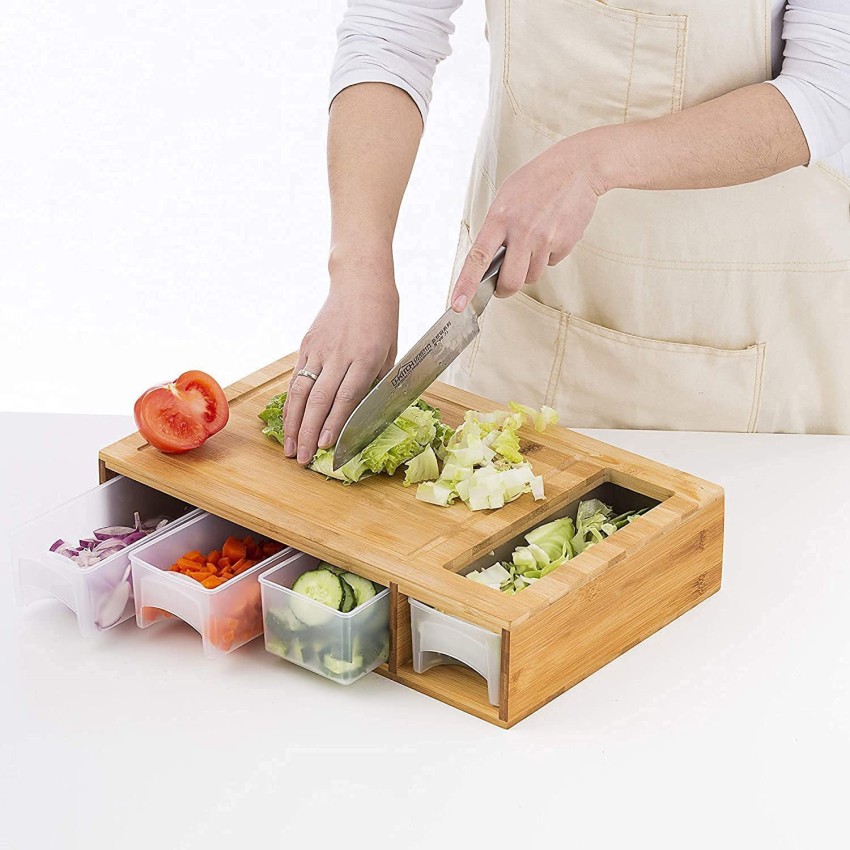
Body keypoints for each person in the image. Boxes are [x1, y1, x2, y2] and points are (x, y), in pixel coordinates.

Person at [282, 0, 850, 465]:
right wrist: (358, 267)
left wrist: (593, 164)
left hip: (751, 349)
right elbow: (392, 31)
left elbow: (831, 91)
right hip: (524, 310)